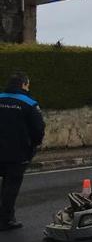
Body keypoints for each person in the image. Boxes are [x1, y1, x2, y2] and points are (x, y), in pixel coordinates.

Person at [0, 72, 45, 230]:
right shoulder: (29, 103)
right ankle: (6, 219)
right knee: (11, 186)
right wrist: (34, 145)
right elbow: (38, 129)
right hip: (17, 152)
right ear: (24, 85)